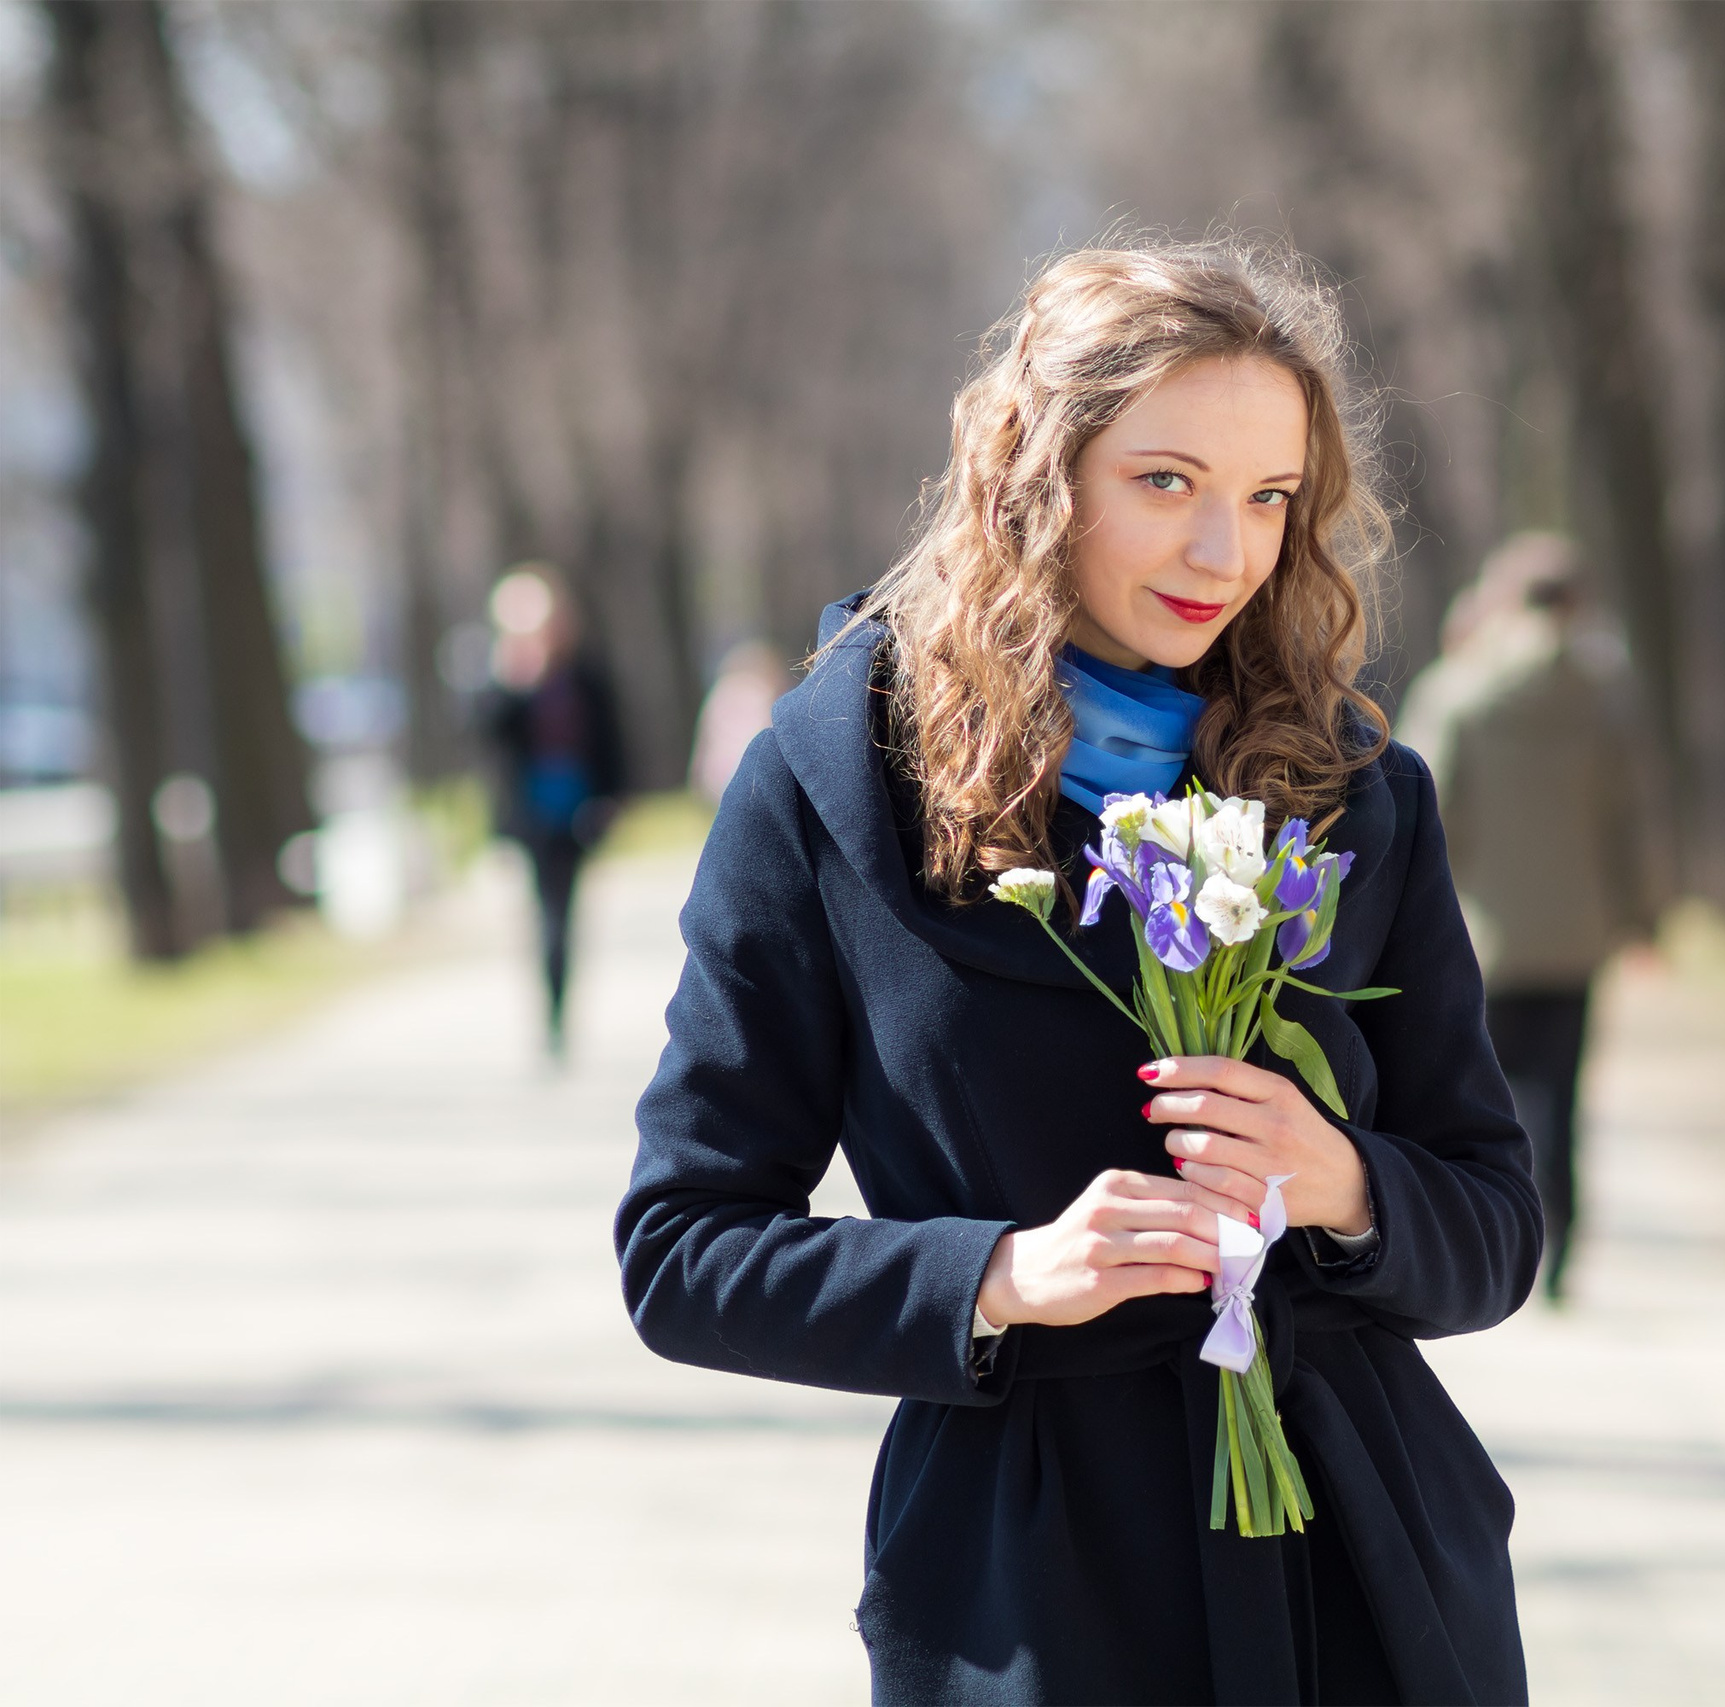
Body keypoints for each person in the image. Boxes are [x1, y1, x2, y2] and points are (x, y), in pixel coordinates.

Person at [615, 240, 1539, 1706]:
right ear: (1036, 476)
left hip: (1359, 1567)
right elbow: (682, 1250)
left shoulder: (1359, 787)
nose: (1223, 554)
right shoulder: (828, 784)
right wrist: (997, 1273)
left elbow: (1495, 1222)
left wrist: (1347, 1183)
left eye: (1266, 496)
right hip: (1024, 1590)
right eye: (1166, 482)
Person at [1398, 532, 1668, 1304]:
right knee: (1565, 1093)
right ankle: (1565, 1242)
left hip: (1484, 935)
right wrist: (1645, 919)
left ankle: (1503, 1239)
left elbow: (1428, 810)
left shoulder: (1461, 692)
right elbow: (1633, 821)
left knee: (1492, 1097)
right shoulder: (1606, 697)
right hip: (1579, 937)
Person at [479, 563, 627, 1056]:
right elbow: (487, 734)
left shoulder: (585, 677)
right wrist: (517, 678)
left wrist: (612, 799)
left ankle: (558, 1008)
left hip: (577, 812)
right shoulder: (509, 682)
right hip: (530, 816)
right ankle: (549, 1008)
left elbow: (611, 743)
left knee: (563, 914)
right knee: (544, 914)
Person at [687, 640, 790, 804]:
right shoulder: (763, 693)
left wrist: (697, 775)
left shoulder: (718, 694)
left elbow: (705, 740)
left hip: (716, 775)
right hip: (749, 774)